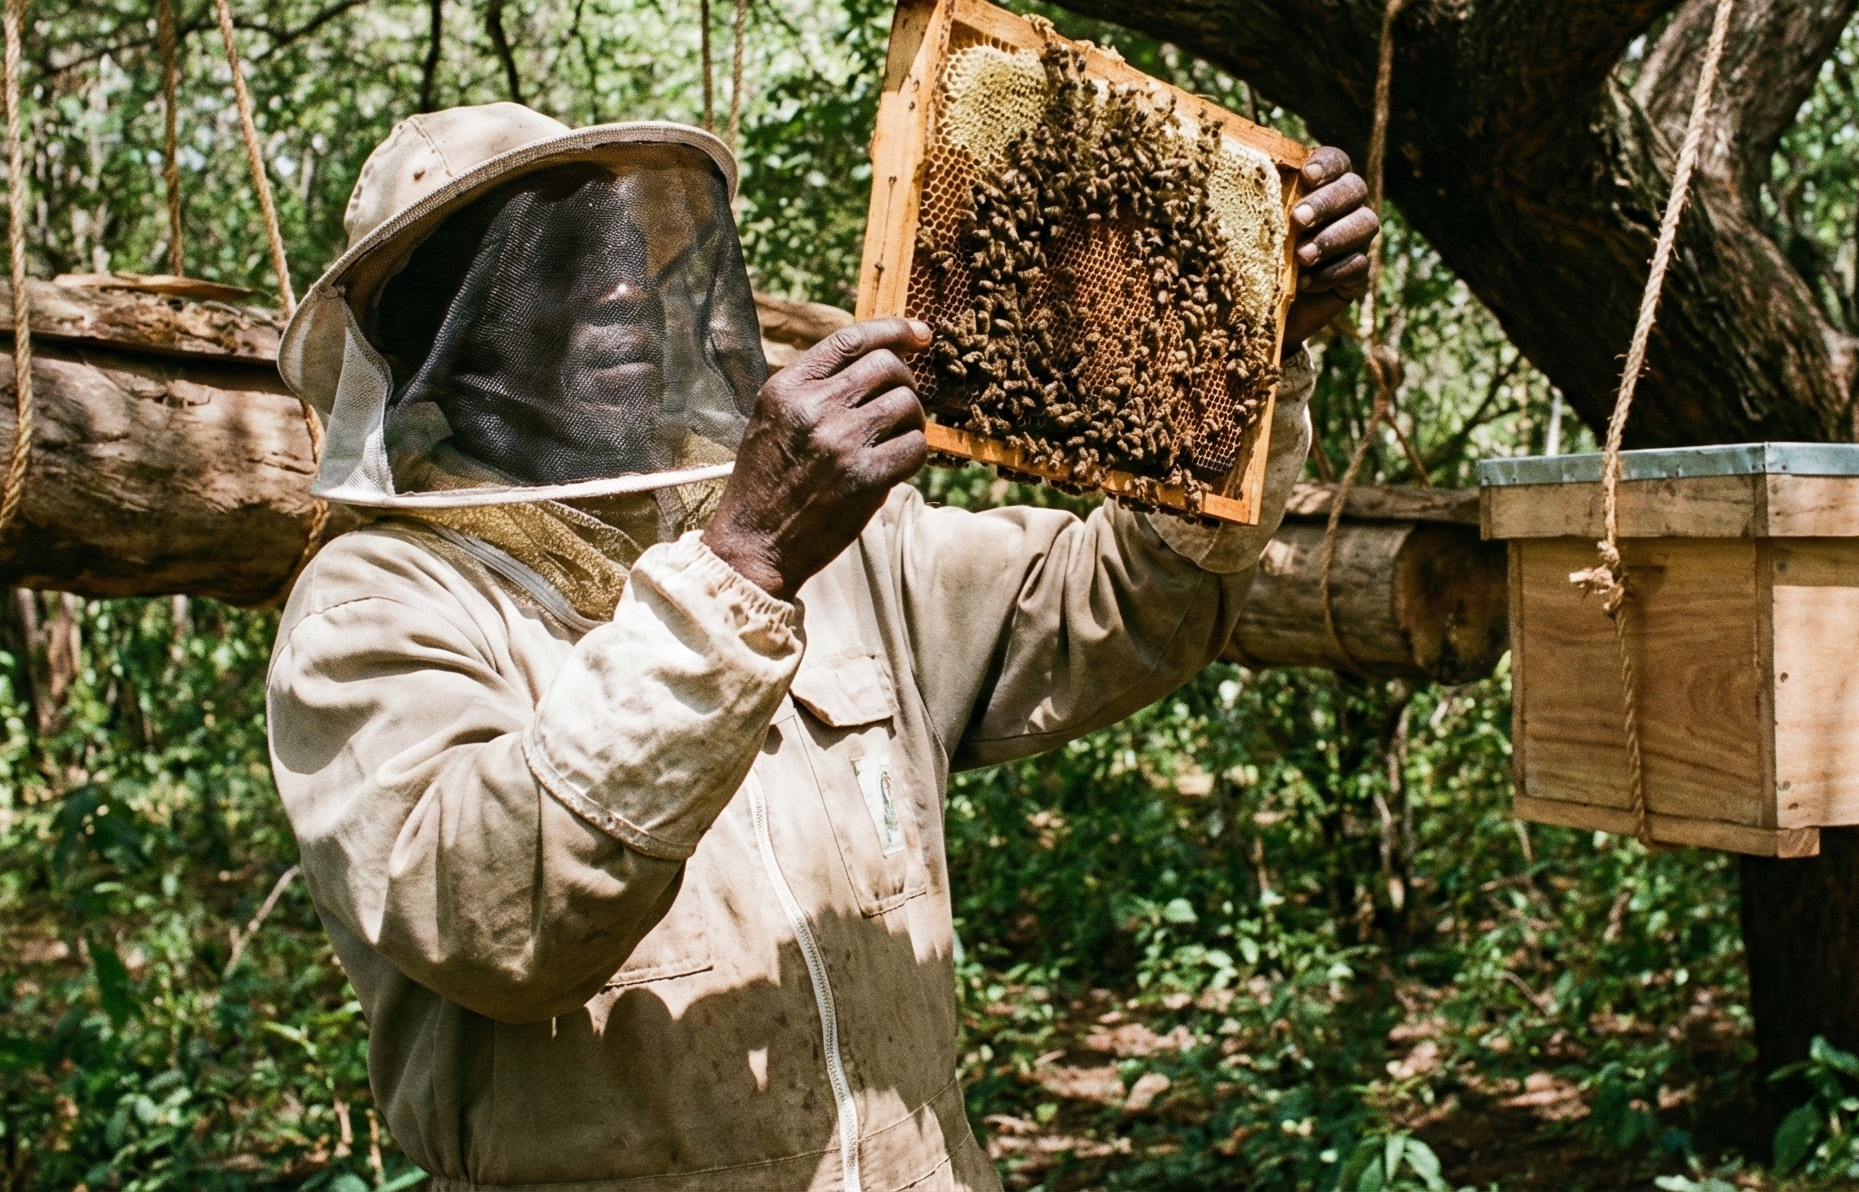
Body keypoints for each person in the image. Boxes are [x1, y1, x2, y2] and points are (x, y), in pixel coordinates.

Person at [268, 101, 1380, 1191]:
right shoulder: (375, 608)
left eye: (624, 254)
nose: (619, 293)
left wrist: (1251, 349)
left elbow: (1120, 607)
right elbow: (496, 921)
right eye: (550, 266)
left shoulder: (832, 538)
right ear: (436, 331)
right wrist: (743, 566)